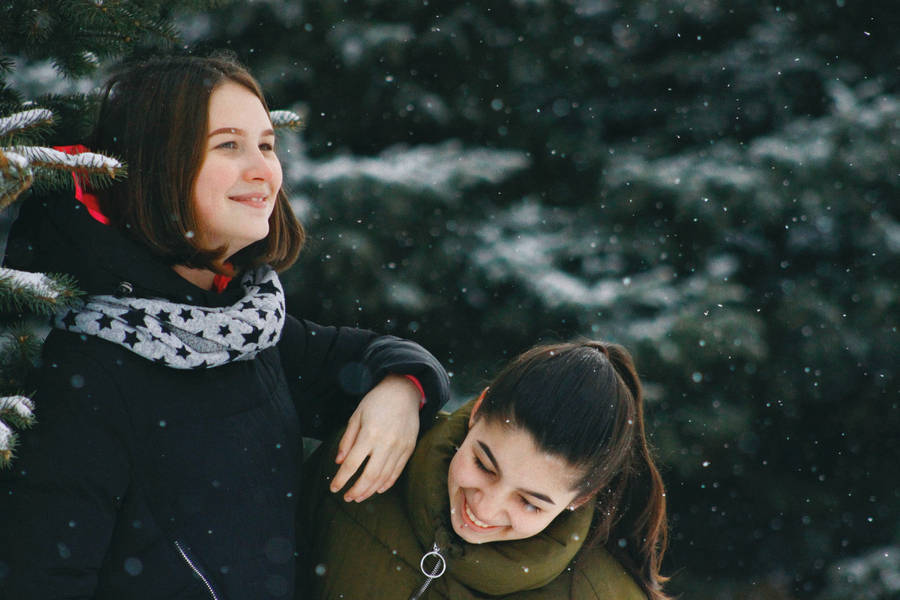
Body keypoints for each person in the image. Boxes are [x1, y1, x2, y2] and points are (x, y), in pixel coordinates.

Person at [0, 54, 449, 599]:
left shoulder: (244, 328)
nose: (263, 169)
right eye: (228, 145)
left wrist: (401, 390)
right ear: (156, 166)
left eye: (265, 144)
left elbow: (374, 355)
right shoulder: (91, 369)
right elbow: (43, 579)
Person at [301, 340, 670, 599]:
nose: (484, 509)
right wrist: (401, 382)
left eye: (530, 503)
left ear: (584, 496)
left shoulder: (600, 594)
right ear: (478, 409)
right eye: (483, 465)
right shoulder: (364, 459)